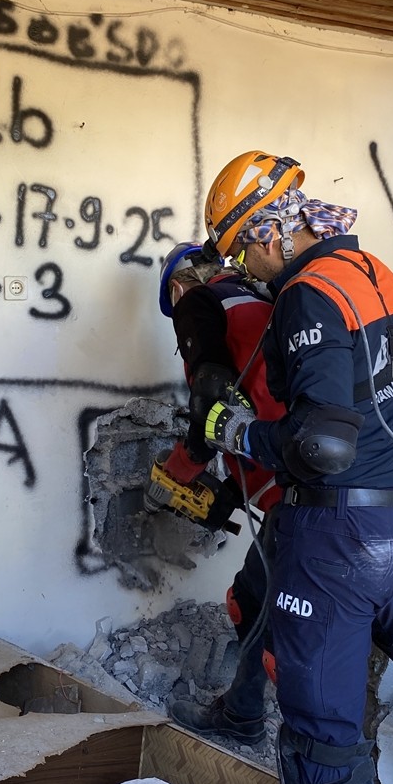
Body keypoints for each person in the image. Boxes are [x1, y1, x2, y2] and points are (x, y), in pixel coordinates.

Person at [199, 152, 393, 784]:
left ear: (267, 232)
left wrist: (234, 433)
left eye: (241, 255)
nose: (243, 272)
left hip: (344, 537)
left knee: (319, 728)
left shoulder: (306, 294)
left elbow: (321, 445)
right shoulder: (374, 271)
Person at [149, 241, 286, 745]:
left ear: (179, 288)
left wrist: (177, 474)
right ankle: (245, 714)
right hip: (312, 476)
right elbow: (257, 397)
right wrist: (231, 486)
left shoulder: (199, 306)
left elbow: (211, 419)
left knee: (269, 619)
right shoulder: (260, 298)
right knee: (251, 599)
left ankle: (305, 745)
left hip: (293, 495)